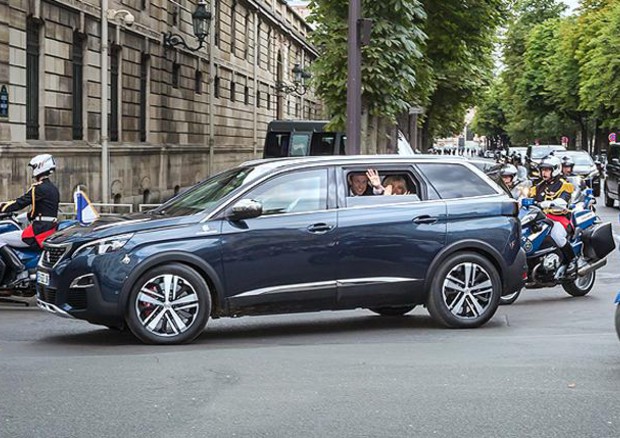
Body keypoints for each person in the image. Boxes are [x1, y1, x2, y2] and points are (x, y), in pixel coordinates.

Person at [0, 154, 60, 286]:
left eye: (34, 167)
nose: (33, 170)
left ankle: (19, 269)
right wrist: (26, 216)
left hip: (38, 231)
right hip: (49, 228)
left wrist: (2, 208)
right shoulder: (53, 189)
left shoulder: (38, 188)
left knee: (0, 239)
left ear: (40, 167)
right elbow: (40, 210)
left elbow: (20, 202)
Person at [529, 156, 576, 275]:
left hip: (559, 219)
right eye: (542, 170)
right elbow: (529, 199)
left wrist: (549, 203)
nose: (544, 172)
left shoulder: (564, 185)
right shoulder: (538, 186)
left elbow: (563, 201)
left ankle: (572, 261)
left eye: (547, 170)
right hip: (542, 219)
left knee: (557, 236)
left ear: (555, 170)